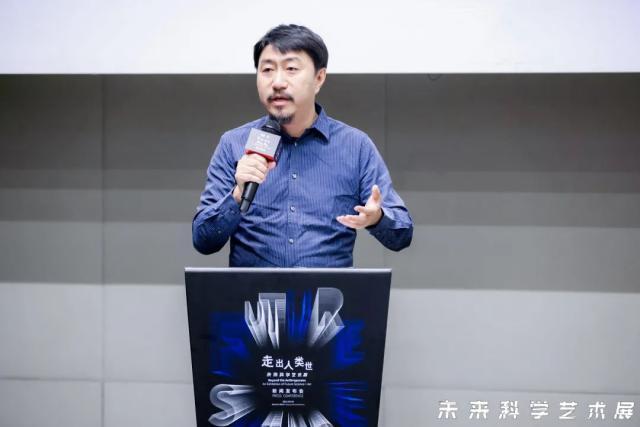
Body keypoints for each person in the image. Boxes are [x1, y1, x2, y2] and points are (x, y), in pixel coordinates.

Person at [192, 24, 412, 267]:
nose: (277, 82)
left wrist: (377, 218)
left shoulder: (355, 146)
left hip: (328, 292)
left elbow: (402, 234)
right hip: (255, 292)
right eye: (267, 70)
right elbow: (203, 240)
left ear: (319, 78)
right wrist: (236, 196)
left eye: (291, 69)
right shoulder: (234, 144)